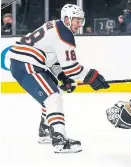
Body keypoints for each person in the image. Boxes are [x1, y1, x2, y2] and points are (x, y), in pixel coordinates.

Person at [6, 4, 110, 153]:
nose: (79, 24)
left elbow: (53, 57)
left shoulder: (56, 26)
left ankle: (46, 129)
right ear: (67, 19)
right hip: (26, 64)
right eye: (76, 20)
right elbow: (72, 69)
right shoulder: (64, 34)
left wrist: (62, 77)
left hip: (25, 62)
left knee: (54, 92)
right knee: (53, 97)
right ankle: (59, 140)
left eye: (81, 20)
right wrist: (92, 76)